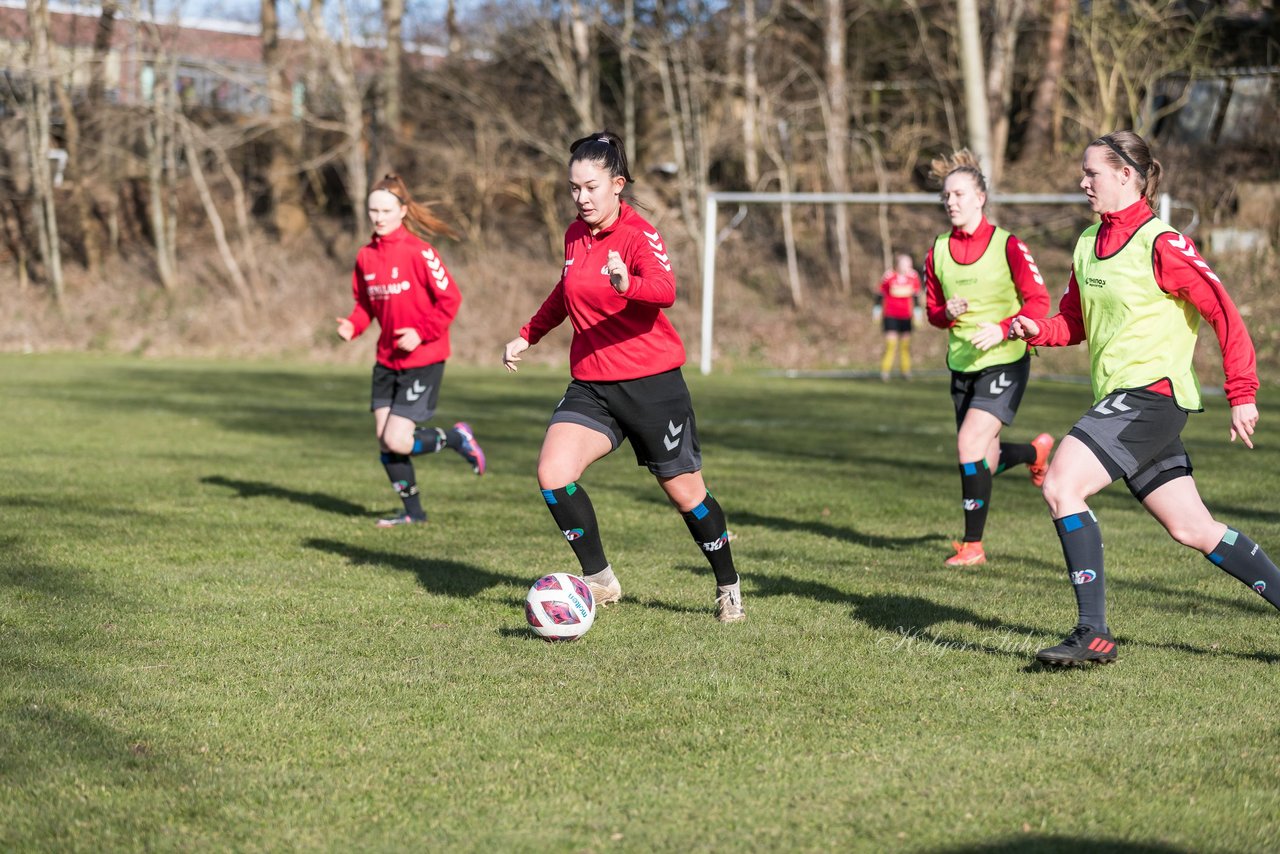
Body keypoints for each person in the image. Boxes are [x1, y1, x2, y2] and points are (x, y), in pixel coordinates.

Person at [1009, 130, 1280, 666]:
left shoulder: (1162, 243)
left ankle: (1093, 633)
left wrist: (1242, 391)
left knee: (1062, 485)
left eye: (1093, 173)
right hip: (1126, 402)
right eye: (1083, 173)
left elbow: (1223, 311)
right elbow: (1074, 322)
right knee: (1194, 528)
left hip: (1150, 398)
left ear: (1127, 175)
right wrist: (1033, 329)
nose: (1083, 182)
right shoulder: (1088, 244)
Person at [501, 131, 745, 623]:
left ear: (617, 184)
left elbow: (665, 289)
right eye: (574, 188)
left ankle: (728, 585)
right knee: (553, 474)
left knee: (685, 494)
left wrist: (624, 283)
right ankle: (600, 580)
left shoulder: (638, 233)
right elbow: (564, 291)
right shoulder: (574, 233)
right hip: (592, 385)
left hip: (652, 386)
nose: (581, 198)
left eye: (590, 187)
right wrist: (529, 333)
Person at [924, 150, 1055, 567]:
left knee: (967, 446)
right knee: (986, 459)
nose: (951, 202)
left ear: (980, 198)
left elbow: (1039, 302)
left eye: (959, 194)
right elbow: (931, 312)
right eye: (946, 196)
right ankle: (1035, 454)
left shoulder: (1008, 245)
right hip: (961, 365)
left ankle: (973, 546)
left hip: (1006, 358)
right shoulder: (938, 250)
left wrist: (1002, 327)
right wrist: (947, 313)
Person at [337, 174, 486, 528]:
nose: (378, 216)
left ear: (402, 210)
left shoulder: (420, 252)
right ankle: (413, 513)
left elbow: (451, 299)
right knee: (386, 441)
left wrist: (420, 333)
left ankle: (456, 438)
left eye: (386, 209)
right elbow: (365, 306)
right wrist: (352, 326)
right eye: (372, 209)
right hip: (387, 361)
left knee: (396, 438)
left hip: (423, 358)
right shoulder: (365, 256)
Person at [873, 253, 922, 381]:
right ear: (898, 264)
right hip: (891, 315)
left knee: (905, 345)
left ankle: (906, 371)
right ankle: (885, 371)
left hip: (906, 316)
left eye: (909, 264)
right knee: (891, 344)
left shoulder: (913, 277)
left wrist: (918, 313)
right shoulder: (889, 276)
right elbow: (880, 294)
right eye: (904, 264)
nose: (907, 266)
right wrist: (876, 310)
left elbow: (916, 296)